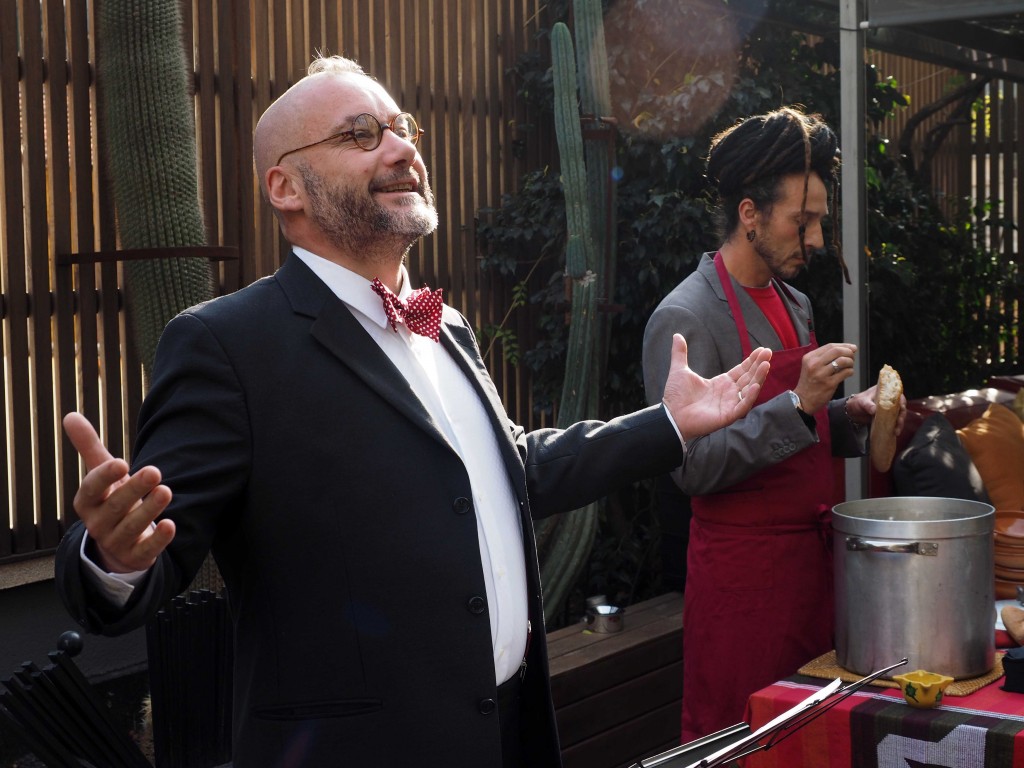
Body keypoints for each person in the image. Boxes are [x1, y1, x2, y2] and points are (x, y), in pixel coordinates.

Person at [55, 55, 772, 768]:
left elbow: (510, 467)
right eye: (361, 133)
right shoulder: (227, 345)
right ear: (285, 187)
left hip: (505, 735)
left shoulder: (446, 324)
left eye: (403, 128)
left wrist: (669, 423)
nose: (402, 149)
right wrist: (113, 557)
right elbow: (158, 546)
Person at [641, 106, 907, 742]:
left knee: (812, 740)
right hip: (742, 585)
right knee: (740, 739)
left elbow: (802, 435)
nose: (815, 239)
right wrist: (799, 405)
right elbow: (691, 469)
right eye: (803, 220)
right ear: (750, 213)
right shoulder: (684, 316)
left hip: (811, 572)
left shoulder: (796, 302)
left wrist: (849, 413)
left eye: (818, 220)